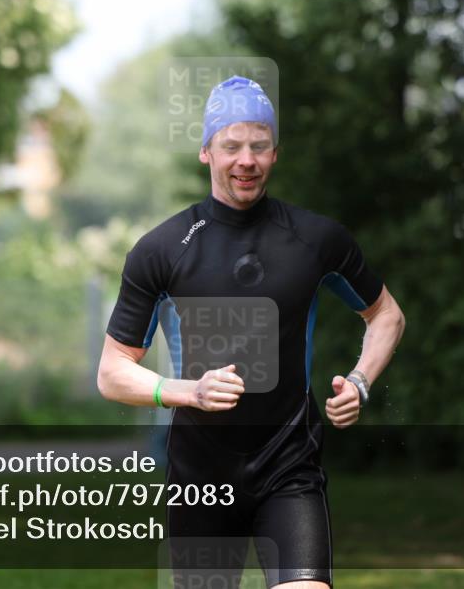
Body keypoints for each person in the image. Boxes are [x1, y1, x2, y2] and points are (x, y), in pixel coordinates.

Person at [97, 75, 406, 588]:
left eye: (259, 146)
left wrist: (360, 381)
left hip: (290, 468)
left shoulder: (315, 239)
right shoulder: (162, 250)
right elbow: (111, 373)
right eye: (232, 145)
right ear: (206, 152)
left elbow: (386, 315)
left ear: (275, 152)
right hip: (199, 477)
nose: (246, 159)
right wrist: (188, 391)